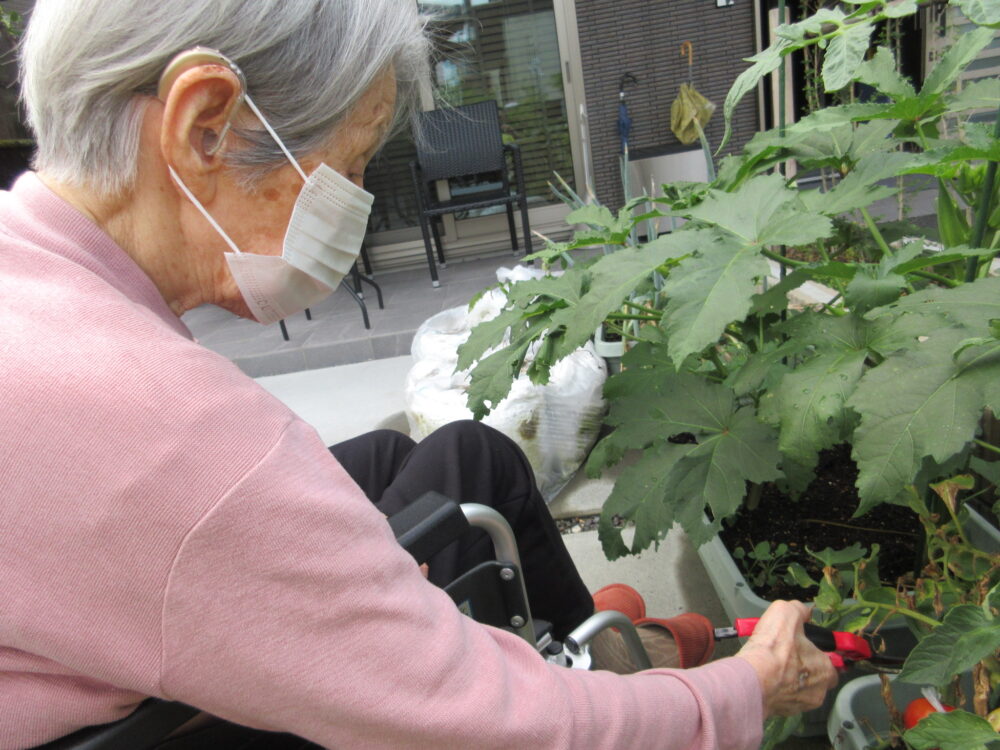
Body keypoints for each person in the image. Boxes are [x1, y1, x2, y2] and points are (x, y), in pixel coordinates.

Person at [0, 1, 837, 748]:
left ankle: (597, 644)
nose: (360, 203)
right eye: (355, 163)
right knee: (470, 499)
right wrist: (741, 694)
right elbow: (490, 726)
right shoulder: (174, 437)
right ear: (207, 124)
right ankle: (610, 664)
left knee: (440, 458)